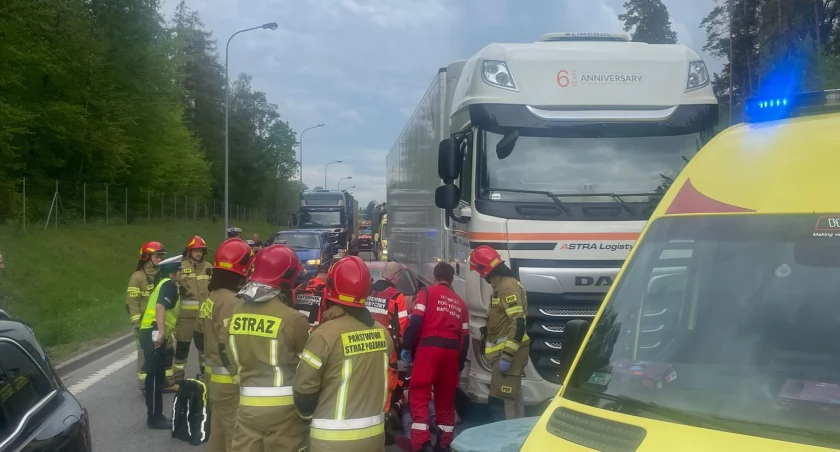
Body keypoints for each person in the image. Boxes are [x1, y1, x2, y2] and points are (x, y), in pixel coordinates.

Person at [294, 256, 394, 452]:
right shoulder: (383, 334)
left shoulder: (323, 336)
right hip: (374, 439)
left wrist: (307, 418)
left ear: (331, 288)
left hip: (330, 442)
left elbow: (304, 391)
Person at [229, 244, 311, 452]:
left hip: (246, 406)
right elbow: (307, 371)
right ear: (288, 277)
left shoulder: (234, 313)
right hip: (286, 412)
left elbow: (227, 356)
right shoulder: (294, 319)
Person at [195, 238, 255, 452]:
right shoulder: (231, 302)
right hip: (228, 381)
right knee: (235, 436)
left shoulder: (212, 297)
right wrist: (239, 377)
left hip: (213, 377)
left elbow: (198, 336)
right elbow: (227, 345)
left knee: (218, 433)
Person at [401, 262, 468, 452]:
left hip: (429, 348)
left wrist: (406, 347)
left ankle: (421, 443)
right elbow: (466, 339)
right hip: (452, 353)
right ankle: (444, 444)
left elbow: (416, 322)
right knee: (446, 401)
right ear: (452, 279)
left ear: (434, 277)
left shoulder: (427, 293)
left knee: (420, 394)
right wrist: (459, 365)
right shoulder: (461, 304)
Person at [468, 245, 529, 421]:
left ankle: (505, 443)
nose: (480, 275)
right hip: (504, 357)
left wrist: (507, 356)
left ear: (484, 269)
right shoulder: (501, 286)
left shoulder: (506, 287)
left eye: (479, 271)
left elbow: (517, 322)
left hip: (508, 357)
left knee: (501, 402)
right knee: (511, 399)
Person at [138, 254, 183, 429]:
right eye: (180, 270)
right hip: (153, 331)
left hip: (152, 331)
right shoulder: (168, 285)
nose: (182, 274)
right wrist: (161, 333)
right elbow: (159, 307)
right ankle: (154, 419)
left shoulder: (167, 284)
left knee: (157, 377)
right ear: (173, 272)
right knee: (155, 379)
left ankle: (157, 416)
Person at [367, 261, 410, 443]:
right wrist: (402, 346)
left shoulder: (369, 292)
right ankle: (383, 430)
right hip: (387, 347)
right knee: (387, 386)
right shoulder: (396, 297)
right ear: (395, 276)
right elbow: (402, 326)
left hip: (366, 344)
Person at [126, 241, 177, 394]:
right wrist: (137, 323)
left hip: (161, 322)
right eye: (156, 256)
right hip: (145, 324)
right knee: (145, 353)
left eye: (161, 257)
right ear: (146, 257)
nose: (160, 260)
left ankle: (167, 382)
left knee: (167, 351)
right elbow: (132, 302)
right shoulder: (137, 278)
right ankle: (145, 384)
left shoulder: (160, 275)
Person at [173, 235, 212, 382]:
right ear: (189, 252)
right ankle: (177, 376)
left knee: (204, 350)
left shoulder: (209, 268)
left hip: (204, 317)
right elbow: (173, 287)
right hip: (186, 317)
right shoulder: (180, 267)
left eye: (201, 251)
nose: (198, 254)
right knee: (182, 347)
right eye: (195, 251)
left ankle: (205, 376)